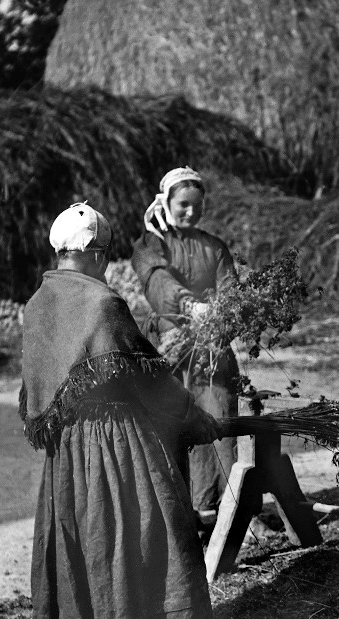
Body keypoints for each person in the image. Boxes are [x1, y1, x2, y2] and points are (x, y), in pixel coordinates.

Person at [20, 202, 225, 619]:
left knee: (86, 544)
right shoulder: (101, 303)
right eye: (105, 255)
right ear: (93, 254)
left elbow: (36, 393)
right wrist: (191, 416)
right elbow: (143, 377)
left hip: (67, 456)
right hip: (117, 444)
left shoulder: (36, 306)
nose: (106, 264)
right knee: (152, 529)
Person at [132, 166, 239, 524]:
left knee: (220, 422)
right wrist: (189, 306)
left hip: (212, 352)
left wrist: (223, 317)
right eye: (183, 205)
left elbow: (231, 294)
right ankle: (182, 514)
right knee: (175, 427)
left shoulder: (215, 247)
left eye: (197, 205)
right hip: (171, 350)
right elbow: (156, 281)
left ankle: (230, 509)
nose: (190, 212)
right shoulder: (151, 244)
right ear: (166, 203)